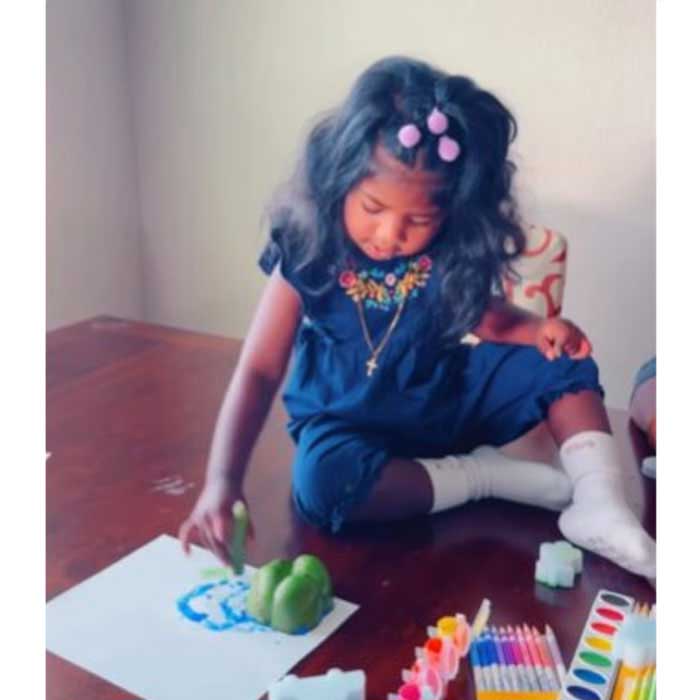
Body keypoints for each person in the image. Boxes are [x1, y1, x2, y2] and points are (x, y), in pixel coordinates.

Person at [179, 56, 656, 579]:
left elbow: (487, 321)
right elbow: (259, 369)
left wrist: (538, 329)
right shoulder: (308, 248)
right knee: (322, 483)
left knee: (561, 360)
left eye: (419, 219)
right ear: (340, 179)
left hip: (441, 400)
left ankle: (600, 502)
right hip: (350, 423)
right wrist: (223, 481)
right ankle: (482, 477)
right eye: (373, 208)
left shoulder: (447, 249)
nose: (390, 235)